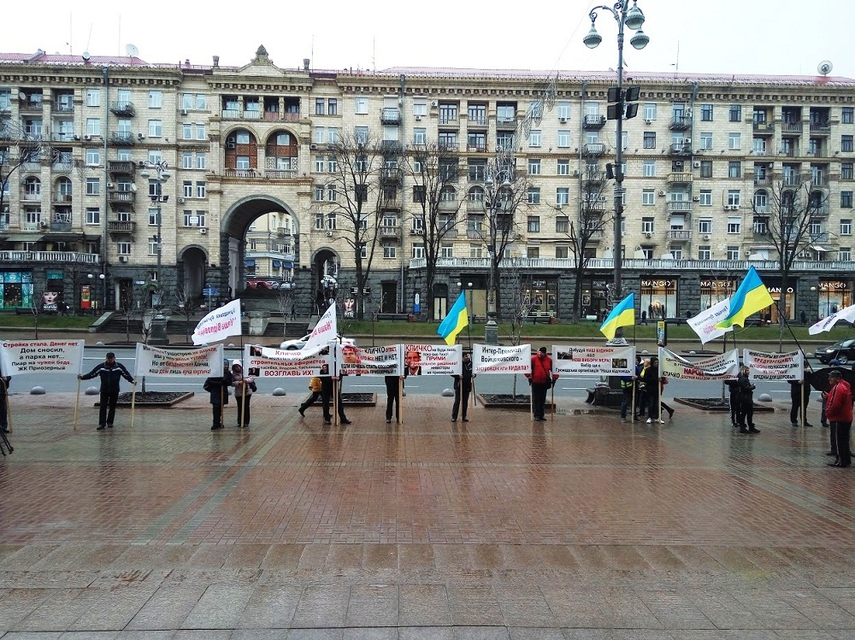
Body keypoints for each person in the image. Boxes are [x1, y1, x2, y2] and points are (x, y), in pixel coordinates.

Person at [78, 352, 135, 430]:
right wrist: (82, 377)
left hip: (114, 390)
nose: (110, 360)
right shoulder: (101, 367)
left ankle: (110, 422)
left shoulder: (119, 367)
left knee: (112, 407)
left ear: (114, 358)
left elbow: (126, 375)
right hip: (104, 390)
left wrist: (132, 381)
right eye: (108, 358)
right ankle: (102, 423)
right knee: (103, 407)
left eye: (111, 358)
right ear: (106, 358)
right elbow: (92, 374)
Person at [825, 369, 852, 467]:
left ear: (837, 378)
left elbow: (835, 404)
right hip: (846, 416)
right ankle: (846, 459)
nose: (829, 379)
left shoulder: (838, 388)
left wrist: (828, 412)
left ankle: (841, 461)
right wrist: (829, 396)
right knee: (844, 440)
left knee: (839, 441)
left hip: (839, 418)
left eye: (831, 377)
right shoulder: (845, 385)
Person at [525, 346, 558, 421]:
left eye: (542, 353)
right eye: (540, 352)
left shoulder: (549, 360)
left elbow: (555, 370)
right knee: (536, 399)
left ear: (545, 353)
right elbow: (526, 368)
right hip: (535, 382)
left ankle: (541, 415)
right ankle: (536, 415)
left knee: (542, 399)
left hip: (544, 382)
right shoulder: (533, 359)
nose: (541, 354)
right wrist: (529, 377)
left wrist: (555, 378)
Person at [203, 359, 233, 430]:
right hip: (215, 393)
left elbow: (229, 382)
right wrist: (219, 383)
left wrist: (224, 381)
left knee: (220, 408)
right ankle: (215, 423)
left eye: (226, 365)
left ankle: (219, 422)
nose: (225, 366)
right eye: (224, 365)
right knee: (216, 407)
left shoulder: (228, 373)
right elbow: (209, 381)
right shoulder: (215, 372)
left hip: (223, 393)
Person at [735, 365, 759, 434]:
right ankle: (745, 427)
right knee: (747, 413)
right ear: (744, 371)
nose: (749, 372)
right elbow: (746, 388)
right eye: (747, 370)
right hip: (745, 399)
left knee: (747, 413)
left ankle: (749, 427)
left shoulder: (742, 378)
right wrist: (753, 387)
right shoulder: (743, 379)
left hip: (744, 398)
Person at [231, 362, 256, 428]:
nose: (237, 368)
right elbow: (231, 383)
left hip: (247, 391)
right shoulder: (232, 374)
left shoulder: (246, 370)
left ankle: (246, 422)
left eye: (238, 366)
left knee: (246, 406)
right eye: (236, 367)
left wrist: (246, 381)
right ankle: (240, 421)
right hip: (238, 393)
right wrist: (238, 383)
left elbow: (252, 377)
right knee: (240, 407)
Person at [452, 351, 475, 422]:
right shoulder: (458, 364)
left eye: (468, 356)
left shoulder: (471, 364)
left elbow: (474, 371)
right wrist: (458, 376)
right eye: (466, 356)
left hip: (467, 385)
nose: (467, 357)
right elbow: (452, 372)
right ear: (462, 357)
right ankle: (454, 416)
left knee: (465, 402)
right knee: (457, 401)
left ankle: (464, 416)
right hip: (459, 385)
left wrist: (474, 375)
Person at [640, 356, 661, 423]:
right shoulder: (648, 370)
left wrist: (661, 379)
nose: (656, 364)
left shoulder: (659, 370)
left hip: (657, 389)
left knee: (657, 404)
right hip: (650, 389)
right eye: (655, 362)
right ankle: (650, 417)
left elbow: (663, 379)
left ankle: (657, 417)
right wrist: (655, 379)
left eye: (657, 363)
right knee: (651, 404)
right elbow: (645, 379)